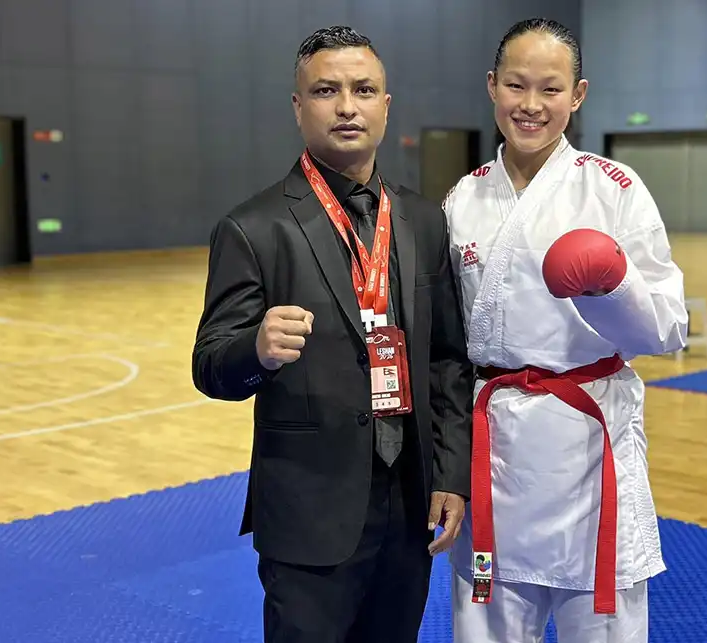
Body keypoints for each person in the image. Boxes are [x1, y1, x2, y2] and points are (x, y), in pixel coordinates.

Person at [191, 25, 473, 643]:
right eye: (326, 90)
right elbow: (210, 366)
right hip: (309, 513)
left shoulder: (424, 220)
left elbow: (448, 360)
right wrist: (256, 350)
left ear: (386, 106)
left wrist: (452, 473)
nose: (347, 106)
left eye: (363, 90)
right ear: (299, 107)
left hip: (410, 504)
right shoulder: (253, 228)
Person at [441, 17, 688, 643]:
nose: (531, 104)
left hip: (588, 444)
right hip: (496, 450)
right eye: (516, 86)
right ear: (492, 86)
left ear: (577, 95)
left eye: (550, 89)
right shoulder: (462, 200)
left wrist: (614, 286)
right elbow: (445, 339)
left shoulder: (615, 191)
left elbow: (668, 327)